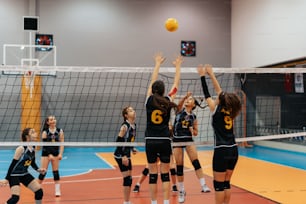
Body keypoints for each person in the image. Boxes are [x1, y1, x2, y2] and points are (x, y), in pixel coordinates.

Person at [197, 64, 242, 204]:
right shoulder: (232, 110)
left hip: (221, 150)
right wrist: (210, 74)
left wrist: (203, 76)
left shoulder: (214, 109)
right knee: (227, 183)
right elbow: (219, 91)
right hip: (233, 149)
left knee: (218, 186)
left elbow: (207, 94)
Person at [145, 52, 183, 204]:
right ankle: (166, 201)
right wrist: (178, 67)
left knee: (153, 175)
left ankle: (154, 202)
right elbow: (176, 85)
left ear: (153, 90)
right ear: (163, 91)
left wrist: (157, 64)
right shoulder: (168, 100)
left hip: (151, 140)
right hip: (165, 140)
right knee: (165, 174)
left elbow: (152, 82)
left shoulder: (148, 100)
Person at [172, 91, 211, 203]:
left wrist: (192, 130)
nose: (187, 100)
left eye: (190, 100)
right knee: (179, 166)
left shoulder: (194, 117)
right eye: (187, 100)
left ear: (193, 105)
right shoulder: (179, 111)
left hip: (188, 140)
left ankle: (203, 185)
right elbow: (178, 104)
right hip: (177, 141)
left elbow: (196, 132)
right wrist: (185, 96)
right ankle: (181, 191)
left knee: (196, 162)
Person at [0, 128, 45, 204]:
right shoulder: (21, 148)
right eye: (33, 132)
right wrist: (7, 179)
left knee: (39, 192)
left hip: (24, 173)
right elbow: (12, 165)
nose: (36, 133)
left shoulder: (33, 146)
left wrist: (38, 169)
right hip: (14, 175)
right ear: (27, 136)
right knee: (15, 198)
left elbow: (32, 161)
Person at [114, 106, 137, 204]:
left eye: (133, 110)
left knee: (130, 179)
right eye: (130, 111)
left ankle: (128, 201)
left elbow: (129, 140)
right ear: (126, 115)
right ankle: (126, 202)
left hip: (127, 155)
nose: (134, 111)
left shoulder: (133, 125)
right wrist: (123, 155)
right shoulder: (125, 126)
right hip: (120, 155)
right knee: (127, 179)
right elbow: (119, 141)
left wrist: (132, 148)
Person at [38, 115, 64, 197]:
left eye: (54, 119)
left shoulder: (60, 131)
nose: (54, 120)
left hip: (56, 153)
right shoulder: (45, 132)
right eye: (51, 119)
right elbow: (45, 146)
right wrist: (49, 155)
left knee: (56, 172)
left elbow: (62, 143)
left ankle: (57, 190)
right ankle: (37, 188)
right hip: (46, 154)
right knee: (43, 172)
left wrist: (60, 154)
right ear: (48, 122)